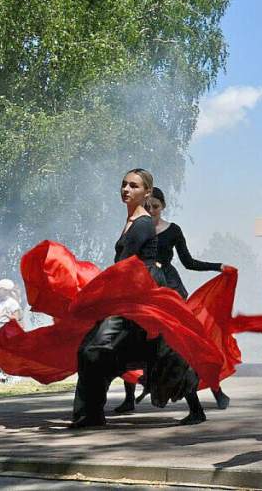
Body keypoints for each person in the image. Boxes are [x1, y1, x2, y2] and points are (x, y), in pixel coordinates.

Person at [71, 169, 206, 428]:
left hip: (141, 294)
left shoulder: (143, 223)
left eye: (133, 186)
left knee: (96, 350)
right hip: (132, 292)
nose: (126, 189)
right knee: (153, 352)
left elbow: (127, 264)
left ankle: (91, 416)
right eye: (123, 184)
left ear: (147, 192)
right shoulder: (134, 220)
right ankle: (92, 414)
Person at [115, 187, 229, 412]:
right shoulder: (136, 228)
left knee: (185, 343)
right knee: (128, 337)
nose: (151, 211)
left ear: (163, 206)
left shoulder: (173, 230)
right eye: (147, 207)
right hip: (142, 288)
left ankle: (217, 392)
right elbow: (122, 257)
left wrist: (218, 267)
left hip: (169, 289)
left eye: (155, 206)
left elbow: (188, 262)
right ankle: (129, 398)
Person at [0, 279, 22, 382]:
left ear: (5, 290)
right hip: (0, 332)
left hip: (8, 333)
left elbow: (17, 318)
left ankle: (13, 378)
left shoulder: (12, 303)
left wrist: (6, 315)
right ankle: (0, 377)